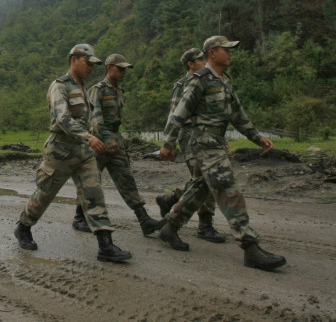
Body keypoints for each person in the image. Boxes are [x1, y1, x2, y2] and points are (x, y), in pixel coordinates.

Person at [157, 36, 286, 271]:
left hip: (216, 142)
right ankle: (250, 247)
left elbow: (238, 115)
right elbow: (179, 114)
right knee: (229, 190)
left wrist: (257, 137)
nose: (230, 53)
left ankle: (170, 227)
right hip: (203, 144)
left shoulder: (225, 81)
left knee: (199, 189)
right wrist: (168, 144)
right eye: (226, 50)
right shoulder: (200, 80)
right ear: (212, 53)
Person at [15, 44, 132, 262]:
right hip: (61, 150)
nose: (91, 68)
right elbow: (62, 118)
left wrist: (91, 139)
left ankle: (105, 245)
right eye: (88, 63)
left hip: (83, 152)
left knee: (94, 193)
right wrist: (89, 137)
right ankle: (23, 227)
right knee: (45, 194)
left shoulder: (84, 87)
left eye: (93, 64)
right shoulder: (60, 86)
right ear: (74, 60)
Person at [71, 53, 160, 236]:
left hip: (114, 140)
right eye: (120, 69)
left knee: (126, 177)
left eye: (124, 69)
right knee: (91, 181)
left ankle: (144, 220)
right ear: (109, 68)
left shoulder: (119, 90)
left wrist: (115, 139)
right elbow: (96, 119)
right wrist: (107, 139)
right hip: (98, 141)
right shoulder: (99, 89)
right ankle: (79, 218)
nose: (123, 72)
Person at [155, 48, 226, 243]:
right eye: (200, 59)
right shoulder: (182, 85)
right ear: (191, 64)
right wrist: (169, 142)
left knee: (201, 179)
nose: (205, 62)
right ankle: (205, 225)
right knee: (207, 178)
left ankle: (171, 199)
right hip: (189, 136)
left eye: (205, 58)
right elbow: (175, 115)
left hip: (207, 137)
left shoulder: (210, 80)